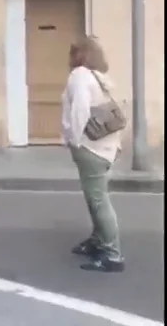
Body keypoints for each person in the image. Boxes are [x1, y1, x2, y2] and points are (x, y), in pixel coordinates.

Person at [63, 37, 125, 273]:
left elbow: (80, 109)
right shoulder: (100, 77)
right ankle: (98, 240)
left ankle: (113, 254)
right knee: (95, 198)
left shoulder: (80, 75)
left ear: (79, 54)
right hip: (107, 147)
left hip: (91, 147)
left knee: (98, 200)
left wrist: (74, 141)